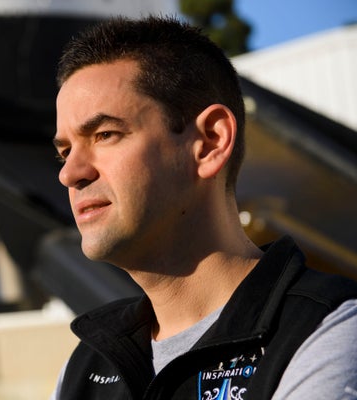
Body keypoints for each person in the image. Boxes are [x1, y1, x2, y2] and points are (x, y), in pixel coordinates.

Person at [50, 15, 357, 400]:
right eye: (65, 152)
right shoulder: (86, 367)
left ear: (210, 142)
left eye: (105, 134)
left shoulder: (327, 330)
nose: (70, 174)